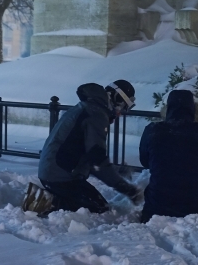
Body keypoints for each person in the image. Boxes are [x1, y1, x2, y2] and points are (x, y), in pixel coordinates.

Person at [37, 80, 142, 214]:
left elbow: (88, 155)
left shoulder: (90, 107)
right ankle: (45, 203)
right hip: (60, 176)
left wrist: (117, 171)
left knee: (98, 206)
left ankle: (52, 199)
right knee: (99, 209)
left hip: (56, 170)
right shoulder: (97, 114)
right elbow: (96, 160)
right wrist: (127, 189)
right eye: (123, 106)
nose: (120, 113)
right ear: (116, 98)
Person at [139, 89, 198, 222]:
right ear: (194, 109)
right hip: (193, 203)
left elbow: (144, 161)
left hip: (156, 205)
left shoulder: (152, 130)